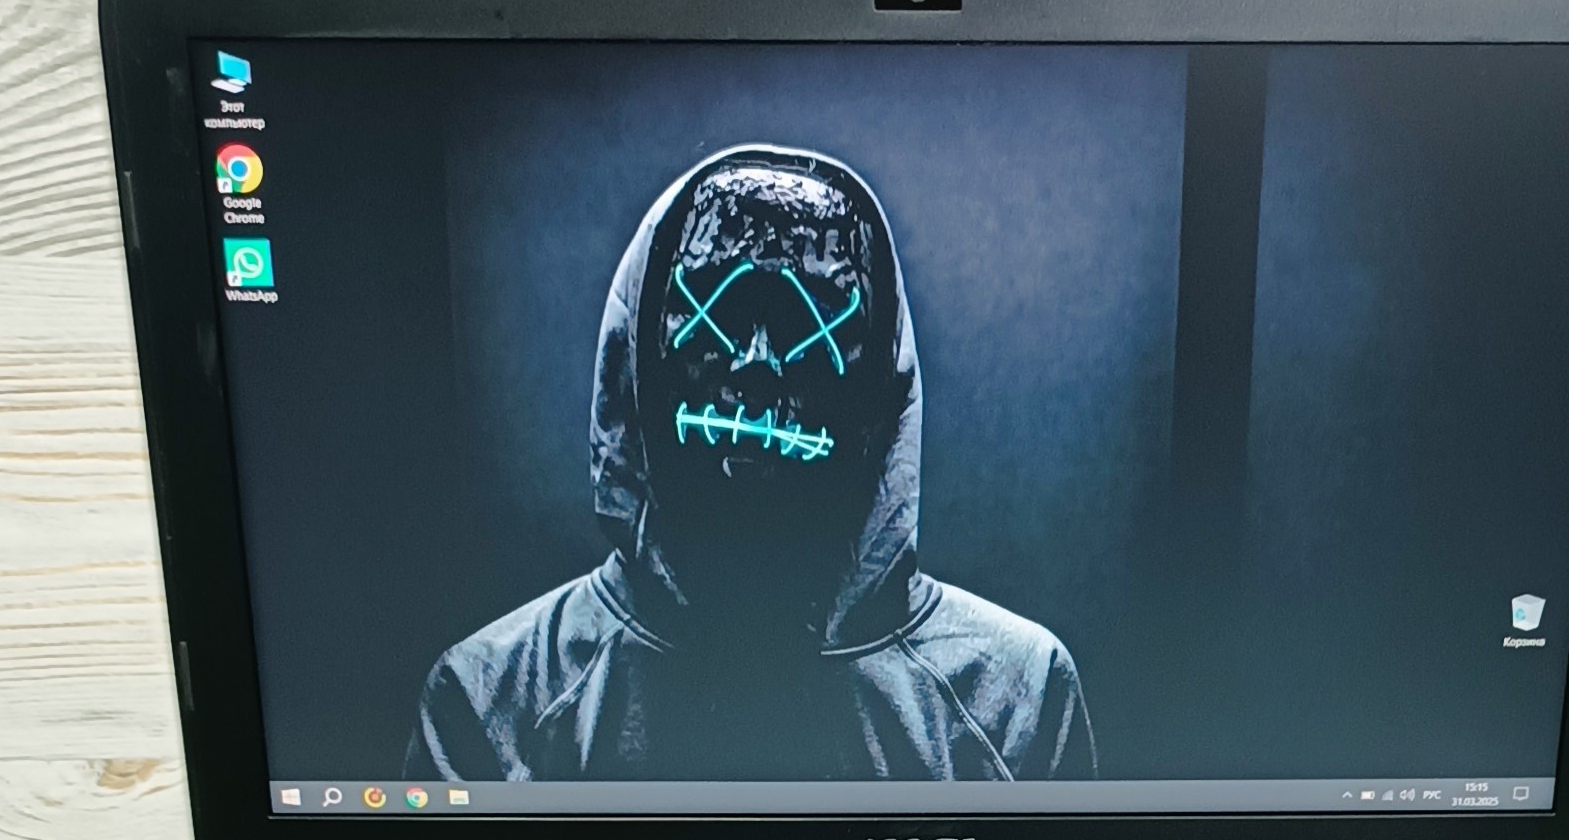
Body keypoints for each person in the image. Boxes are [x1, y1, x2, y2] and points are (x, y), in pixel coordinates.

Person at [404, 144, 1096, 782]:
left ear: (881, 381)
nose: (758, 364)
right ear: (637, 356)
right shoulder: (487, 702)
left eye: (812, 318)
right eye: (720, 309)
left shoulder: (1016, 698)